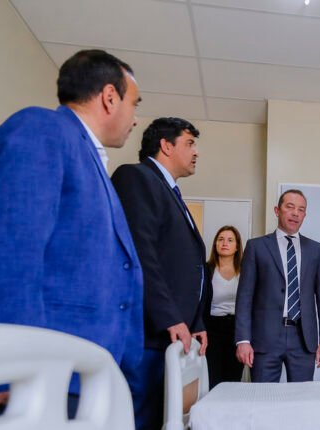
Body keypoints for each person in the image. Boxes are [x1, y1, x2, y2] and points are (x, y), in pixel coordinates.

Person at [0, 49, 143, 418]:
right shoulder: (42, 130)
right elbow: (10, 254)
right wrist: (14, 370)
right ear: (109, 97)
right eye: (134, 103)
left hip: (90, 374)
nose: (136, 117)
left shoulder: (90, 159)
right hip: (43, 373)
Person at [111, 117, 208, 430]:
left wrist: (195, 322)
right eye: (189, 143)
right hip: (148, 335)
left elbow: (181, 266)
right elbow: (141, 254)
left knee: (164, 419)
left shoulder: (171, 192)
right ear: (166, 145)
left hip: (173, 336)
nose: (196, 152)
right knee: (140, 419)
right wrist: (169, 317)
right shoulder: (136, 178)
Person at [235, 189, 320, 382]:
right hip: (265, 338)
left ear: (304, 215)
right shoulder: (256, 247)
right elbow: (245, 297)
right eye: (290, 207)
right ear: (277, 210)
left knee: (301, 397)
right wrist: (243, 340)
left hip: (303, 339)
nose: (295, 213)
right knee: (263, 395)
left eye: (301, 209)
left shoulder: (316, 250)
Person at [204, 225, 246, 388]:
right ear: (215, 244)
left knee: (233, 379)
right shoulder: (207, 270)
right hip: (212, 329)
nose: (224, 243)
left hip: (237, 329)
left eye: (230, 240)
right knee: (212, 378)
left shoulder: (245, 271)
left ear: (237, 247)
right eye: (220, 239)